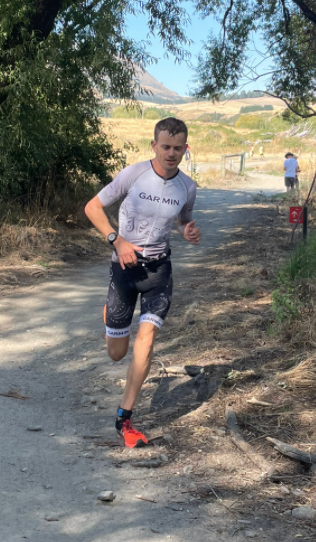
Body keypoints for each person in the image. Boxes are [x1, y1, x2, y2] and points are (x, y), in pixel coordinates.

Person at [84, 118, 201, 448]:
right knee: (117, 354)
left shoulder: (187, 187)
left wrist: (188, 230)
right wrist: (116, 240)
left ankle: (124, 417)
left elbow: (184, 219)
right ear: (154, 145)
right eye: (165, 147)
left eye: (178, 148)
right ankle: (112, 316)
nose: (172, 153)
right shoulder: (133, 174)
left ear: (185, 149)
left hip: (158, 272)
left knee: (146, 342)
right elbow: (92, 207)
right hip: (124, 269)